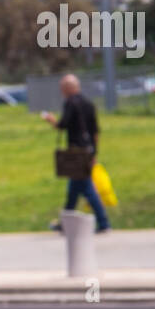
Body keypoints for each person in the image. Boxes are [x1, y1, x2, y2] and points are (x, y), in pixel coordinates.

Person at [40, 74, 110, 233]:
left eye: (62, 88)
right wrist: (94, 153)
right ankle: (66, 222)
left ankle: (103, 222)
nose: (61, 91)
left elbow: (63, 125)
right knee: (75, 189)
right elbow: (95, 131)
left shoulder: (70, 103)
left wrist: (51, 120)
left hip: (75, 151)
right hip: (88, 150)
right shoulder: (89, 104)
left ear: (69, 88)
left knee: (85, 188)